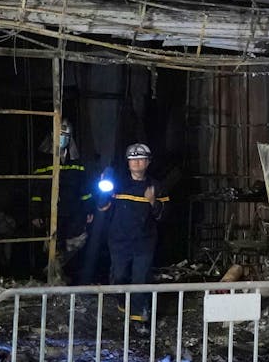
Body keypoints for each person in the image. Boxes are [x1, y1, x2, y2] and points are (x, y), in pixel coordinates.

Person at [101, 143, 168, 321]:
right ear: (128, 163)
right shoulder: (117, 184)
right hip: (119, 240)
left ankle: (139, 316)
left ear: (148, 162)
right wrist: (103, 191)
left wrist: (153, 201)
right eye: (133, 160)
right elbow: (102, 207)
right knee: (120, 275)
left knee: (141, 277)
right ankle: (122, 301)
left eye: (140, 159)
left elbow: (164, 215)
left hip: (144, 241)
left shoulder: (155, 186)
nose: (137, 163)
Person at [29, 118, 93, 282]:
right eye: (59, 134)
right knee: (52, 246)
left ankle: (64, 275)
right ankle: (52, 278)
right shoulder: (44, 162)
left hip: (74, 212)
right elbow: (37, 190)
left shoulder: (77, 162)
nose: (62, 137)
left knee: (77, 242)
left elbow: (84, 189)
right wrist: (35, 213)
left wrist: (89, 210)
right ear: (52, 136)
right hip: (51, 212)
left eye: (65, 134)